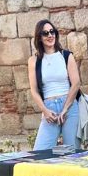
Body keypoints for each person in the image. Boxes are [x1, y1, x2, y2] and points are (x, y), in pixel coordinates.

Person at [28, 19, 81, 151]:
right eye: (45, 33)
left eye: (52, 32)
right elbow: (34, 90)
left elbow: (76, 84)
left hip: (68, 105)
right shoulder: (34, 60)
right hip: (49, 107)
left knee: (72, 152)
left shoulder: (66, 56)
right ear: (39, 37)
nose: (50, 35)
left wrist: (65, 109)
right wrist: (45, 111)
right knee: (40, 152)